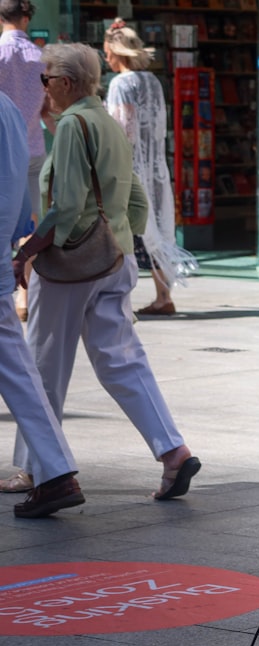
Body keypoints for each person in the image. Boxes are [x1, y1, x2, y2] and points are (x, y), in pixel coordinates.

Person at [11, 43, 201, 515]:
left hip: (72, 264)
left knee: (42, 365)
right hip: (114, 259)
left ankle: (41, 469)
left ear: (68, 83)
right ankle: (173, 451)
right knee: (123, 362)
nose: (42, 87)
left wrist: (29, 250)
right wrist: (118, 235)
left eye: (46, 77)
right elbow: (136, 200)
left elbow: (69, 206)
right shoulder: (109, 124)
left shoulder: (75, 124)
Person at [0, 89, 82, 515]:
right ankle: (55, 471)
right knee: (17, 367)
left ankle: (56, 471)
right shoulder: (9, 108)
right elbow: (21, 187)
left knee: (17, 366)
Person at [103, 18, 197, 316]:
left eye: (108, 52)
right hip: (157, 164)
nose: (106, 58)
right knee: (156, 229)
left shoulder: (120, 83)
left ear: (118, 52)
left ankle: (118, 299)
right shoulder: (153, 81)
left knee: (125, 231)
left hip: (131, 166)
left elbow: (123, 128)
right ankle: (163, 295)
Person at [0, 0, 45, 323]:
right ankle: (25, 295)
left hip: (4, 146)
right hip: (33, 145)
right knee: (30, 221)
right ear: (26, 18)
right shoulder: (41, 56)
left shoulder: (0, 53)